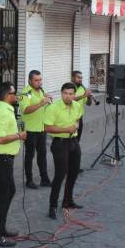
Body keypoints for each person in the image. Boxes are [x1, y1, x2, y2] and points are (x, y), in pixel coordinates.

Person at [0, 82, 25, 247]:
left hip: (4, 159)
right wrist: (19, 135)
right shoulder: (3, 112)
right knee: (3, 196)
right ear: (7, 96)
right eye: (14, 93)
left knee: (10, 191)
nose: (16, 96)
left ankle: (1, 228)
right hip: (1, 158)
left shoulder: (3, 108)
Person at [44, 82, 84, 220]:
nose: (67, 96)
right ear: (61, 94)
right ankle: (52, 205)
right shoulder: (53, 108)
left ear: (74, 95)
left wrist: (75, 126)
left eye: (70, 94)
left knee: (74, 172)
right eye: (65, 93)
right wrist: (66, 129)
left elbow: (78, 119)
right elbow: (47, 128)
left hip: (73, 141)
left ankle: (68, 200)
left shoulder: (77, 106)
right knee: (60, 175)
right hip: (59, 143)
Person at [19, 70, 52, 189]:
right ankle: (29, 180)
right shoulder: (26, 93)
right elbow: (25, 110)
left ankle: (45, 179)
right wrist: (41, 103)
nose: (39, 82)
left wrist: (47, 99)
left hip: (41, 128)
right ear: (29, 81)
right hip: (30, 130)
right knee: (29, 155)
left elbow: (42, 104)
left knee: (42, 154)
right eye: (36, 80)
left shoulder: (41, 90)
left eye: (40, 80)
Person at [71, 70, 93, 142]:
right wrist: (83, 95)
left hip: (79, 117)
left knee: (77, 139)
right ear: (72, 78)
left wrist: (89, 97)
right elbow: (70, 100)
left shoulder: (82, 88)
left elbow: (88, 104)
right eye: (78, 77)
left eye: (81, 78)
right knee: (70, 140)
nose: (80, 79)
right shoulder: (69, 87)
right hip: (70, 117)